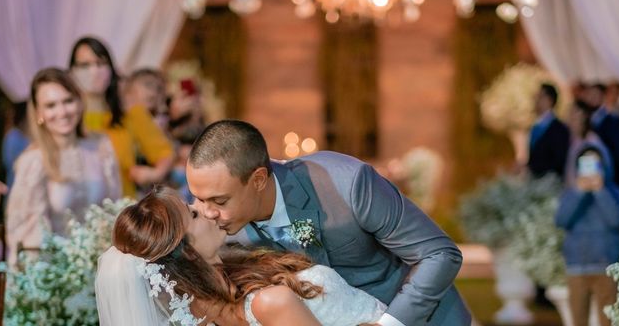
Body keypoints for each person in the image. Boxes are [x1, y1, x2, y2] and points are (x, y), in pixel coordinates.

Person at [186, 119, 471, 326]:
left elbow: (439, 254)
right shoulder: (224, 237)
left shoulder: (346, 184)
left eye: (220, 201)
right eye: (199, 200)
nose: (208, 212)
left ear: (258, 179)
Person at [96, 185, 386, 326]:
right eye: (194, 214)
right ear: (188, 253)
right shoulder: (270, 302)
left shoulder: (213, 302)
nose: (208, 210)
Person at [6, 68, 122, 264]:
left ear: (79, 102)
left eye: (68, 101)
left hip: (104, 265)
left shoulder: (101, 147)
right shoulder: (33, 161)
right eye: (51, 105)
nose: (62, 112)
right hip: (56, 274)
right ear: (38, 113)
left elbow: (116, 211)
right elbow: (27, 238)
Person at [68, 36, 174, 197]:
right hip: (76, 211)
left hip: (122, 209)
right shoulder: (64, 117)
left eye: (100, 63)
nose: (94, 71)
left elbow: (164, 153)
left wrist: (153, 174)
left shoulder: (130, 113)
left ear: (111, 68)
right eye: (85, 65)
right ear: (72, 71)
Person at [555, 145, 619, 326]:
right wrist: (579, 192)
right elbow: (561, 220)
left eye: (595, 163)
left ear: (603, 165)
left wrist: (600, 191)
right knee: (578, 320)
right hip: (576, 265)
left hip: (606, 265)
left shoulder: (614, 192)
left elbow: (616, 220)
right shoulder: (570, 192)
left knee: (608, 321)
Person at [527, 83, 570, 178]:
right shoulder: (535, 127)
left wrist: (535, 169)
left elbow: (559, 161)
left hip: (550, 184)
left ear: (550, 100)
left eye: (540, 96)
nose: (536, 100)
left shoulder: (559, 129)